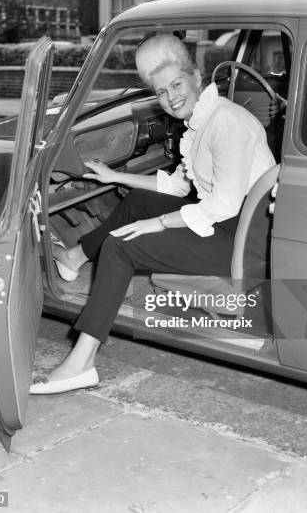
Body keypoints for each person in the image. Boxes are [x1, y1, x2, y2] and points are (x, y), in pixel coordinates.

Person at [30, 33, 276, 395]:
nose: (171, 96)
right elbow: (178, 187)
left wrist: (158, 224)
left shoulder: (225, 123)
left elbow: (222, 206)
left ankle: (81, 363)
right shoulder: (201, 121)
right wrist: (115, 176)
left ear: (196, 77)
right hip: (227, 224)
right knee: (135, 203)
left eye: (176, 84)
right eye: (161, 92)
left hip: (238, 243)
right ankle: (74, 255)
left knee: (120, 246)